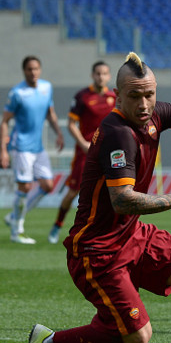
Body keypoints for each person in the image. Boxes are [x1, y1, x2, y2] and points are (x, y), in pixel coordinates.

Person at [21, 51, 171, 343]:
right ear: (117, 96)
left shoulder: (155, 115)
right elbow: (122, 200)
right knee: (137, 336)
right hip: (96, 251)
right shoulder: (117, 133)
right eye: (134, 96)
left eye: (149, 94)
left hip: (131, 235)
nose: (143, 103)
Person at [48, 61, 116, 244]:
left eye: (104, 73)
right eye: (97, 73)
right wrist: (83, 143)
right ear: (92, 75)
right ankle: (57, 225)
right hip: (85, 152)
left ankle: (106, 231)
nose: (101, 76)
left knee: (111, 192)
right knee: (73, 191)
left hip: (108, 153)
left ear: (109, 76)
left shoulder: (115, 97)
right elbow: (71, 124)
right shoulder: (82, 96)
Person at [0, 55, 65, 244]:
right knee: (25, 186)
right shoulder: (17, 93)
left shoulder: (46, 88)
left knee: (48, 185)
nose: (33, 72)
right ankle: (16, 231)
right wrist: (3, 150)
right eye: (29, 69)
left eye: (36, 68)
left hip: (38, 147)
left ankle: (13, 215)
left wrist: (58, 133)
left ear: (40, 70)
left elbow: (50, 114)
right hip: (21, 147)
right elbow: (4, 122)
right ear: (24, 71)